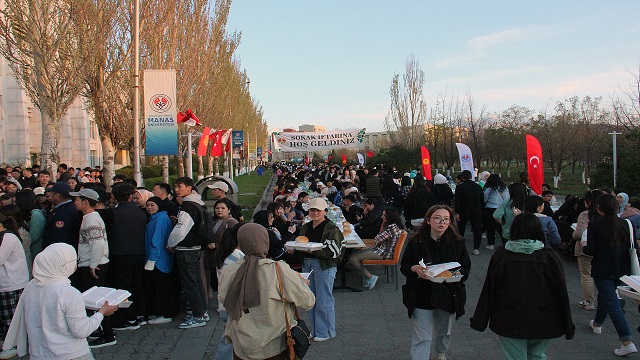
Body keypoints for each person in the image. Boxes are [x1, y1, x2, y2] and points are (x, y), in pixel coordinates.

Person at [470, 213, 575, 359]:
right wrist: (567, 324)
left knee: (515, 357)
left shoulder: (501, 256)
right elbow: (562, 292)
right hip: (544, 318)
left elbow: (489, 290)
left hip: (509, 319)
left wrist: (479, 320)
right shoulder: (550, 257)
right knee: (537, 355)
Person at [1, 243, 119, 360]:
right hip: (71, 354)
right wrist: (102, 313)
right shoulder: (69, 293)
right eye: (74, 260)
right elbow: (82, 331)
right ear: (63, 264)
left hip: (39, 355)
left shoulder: (30, 288)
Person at [218, 223, 315, 360]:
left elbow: (224, 300)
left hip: (241, 346)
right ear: (265, 241)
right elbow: (307, 301)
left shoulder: (229, 271)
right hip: (274, 344)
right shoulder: (278, 270)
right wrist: (301, 284)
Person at [400, 205, 471, 360]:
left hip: (448, 293)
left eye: (446, 219)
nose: (442, 222)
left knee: (444, 332)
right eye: (437, 218)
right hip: (422, 293)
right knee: (423, 336)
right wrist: (414, 268)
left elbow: (465, 268)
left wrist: (456, 275)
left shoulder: (457, 242)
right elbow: (405, 266)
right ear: (428, 220)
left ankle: (440, 352)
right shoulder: (416, 241)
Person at [583, 194, 638, 356]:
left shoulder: (595, 226)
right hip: (622, 269)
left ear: (599, 208)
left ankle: (626, 341)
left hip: (602, 270)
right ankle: (597, 323)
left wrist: (583, 245)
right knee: (606, 297)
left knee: (612, 302)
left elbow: (590, 250)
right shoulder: (626, 224)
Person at [70, 188, 114, 348]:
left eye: (77, 200)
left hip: (94, 265)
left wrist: (93, 265)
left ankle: (107, 334)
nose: (75, 202)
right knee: (95, 300)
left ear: (86, 202)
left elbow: (97, 244)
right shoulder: (88, 218)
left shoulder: (91, 220)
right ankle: (101, 329)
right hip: (92, 263)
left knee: (96, 301)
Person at [296, 198, 343, 342]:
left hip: (324, 266)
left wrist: (313, 252)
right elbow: (299, 242)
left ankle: (326, 332)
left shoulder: (331, 228)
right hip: (307, 264)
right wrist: (295, 249)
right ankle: (315, 330)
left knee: (324, 299)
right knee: (310, 299)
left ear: (325, 212)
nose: (315, 213)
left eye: (318, 210)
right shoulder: (305, 226)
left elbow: (334, 252)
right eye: (312, 210)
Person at [104, 183, 148, 330]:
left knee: (123, 287)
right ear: (130, 196)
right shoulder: (141, 213)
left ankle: (129, 317)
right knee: (138, 285)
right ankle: (140, 315)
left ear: (114, 197)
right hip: (139, 253)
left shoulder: (112, 213)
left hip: (120, 254)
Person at [167, 177, 208, 329]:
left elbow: (181, 230)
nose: (177, 189)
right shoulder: (198, 204)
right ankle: (202, 312)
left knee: (190, 284)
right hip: (196, 248)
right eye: (176, 186)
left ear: (190, 188)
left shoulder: (188, 206)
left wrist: (170, 243)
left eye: (180, 186)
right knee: (197, 282)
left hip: (186, 250)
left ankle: (197, 316)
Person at [349, 208, 404, 290]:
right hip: (381, 250)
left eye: (384, 215)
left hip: (383, 253)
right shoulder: (394, 226)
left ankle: (370, 277)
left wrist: (378, 237)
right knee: (356, 253)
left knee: (353, 258)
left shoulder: (391, 228)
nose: (382, 217)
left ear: (390, 217)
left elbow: (377, 239)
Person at [144, 196, 179, 325]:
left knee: (162, 288)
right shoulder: (156, 218)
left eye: (152, 205)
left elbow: (157, 241)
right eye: (147, 205)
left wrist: (152, 260)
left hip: (159, 260)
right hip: (158, 259)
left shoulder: (161, 219)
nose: (149, 208)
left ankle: (165, 313)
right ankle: (160, 312)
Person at [214, 222, 246, 360]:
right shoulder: (236, 258)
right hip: (231, 306)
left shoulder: (230, 254)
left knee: (230, 338)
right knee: (230, 339)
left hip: (226, 305)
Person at [0, 212, 30, 359]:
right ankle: (6, 343)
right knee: (5, 317)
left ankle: (13, 345)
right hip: (7, 283)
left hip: (11, 284)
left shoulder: (8, 238)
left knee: (10, 318)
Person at [573, 189, 604, 311]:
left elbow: (579, 233)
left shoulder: (585, 215)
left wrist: (574, 235)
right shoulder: (606, 216)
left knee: (587, 275)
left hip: (585, 248)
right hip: (602, 249)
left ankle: (589, 301)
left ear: (589, 202)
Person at [42, 182, 81, 250]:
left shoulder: (64, 212)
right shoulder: (66, 208)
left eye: (52, 194)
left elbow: (59, 237)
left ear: (57, 195)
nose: (50, 196)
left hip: (60, 253)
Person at [454, 170, 484, 255]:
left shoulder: (460, 187)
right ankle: (476, 248)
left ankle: (460, 246)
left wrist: (457, 212)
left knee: (461, 229)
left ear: (462, 177)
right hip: (476, 210)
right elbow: (482, 200)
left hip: (463, 210)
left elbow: (458, 201)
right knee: (477, 229)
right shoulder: (478, 187)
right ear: (471, 177)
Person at [13, 190, 46, 262]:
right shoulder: (25, 214)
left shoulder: (36, 215)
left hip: (33, 253)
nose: (14, 204)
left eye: (16, 202)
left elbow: (33, 237)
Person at [482, 174, 509, 251]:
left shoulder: (489, 189)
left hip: (490, 209)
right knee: (502, 227)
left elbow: (484, 199)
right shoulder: (505, 189)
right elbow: (507, 199)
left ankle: (491, 244)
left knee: (490, 228)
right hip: (501, 209)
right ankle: (505, 243)